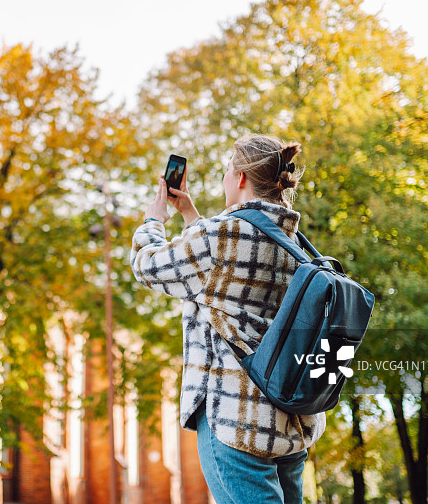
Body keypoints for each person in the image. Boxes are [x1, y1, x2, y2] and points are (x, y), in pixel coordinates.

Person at [130, 134, 326, 504]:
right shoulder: (295, 244)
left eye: (225, 170)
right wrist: (191, 215)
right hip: (290, 422)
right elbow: (228, 276)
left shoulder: (221, 236)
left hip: (234, 421)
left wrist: (154, 221)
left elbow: (147, 265)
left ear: (239, 178)